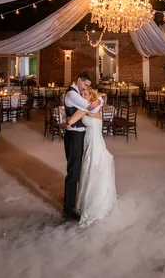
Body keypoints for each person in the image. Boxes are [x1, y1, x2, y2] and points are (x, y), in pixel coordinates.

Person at [65, 84, 118, 227]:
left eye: (85, 95)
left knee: (92, 172)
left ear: (91, 96)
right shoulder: (92, 106)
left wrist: (69, 122)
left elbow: (74, 118)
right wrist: (98, 100)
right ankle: (87, 202)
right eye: (81, 95)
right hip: (89, 142)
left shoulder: (88, 109)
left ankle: (93, 204)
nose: (83, 98)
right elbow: (102, 97)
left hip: (95, 145)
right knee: (88, 172)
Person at [62, 71, 101, 222]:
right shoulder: (72, 94)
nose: (86, 88)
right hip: (74, 137)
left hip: (81, 135)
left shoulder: (78, 93)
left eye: (88, 86)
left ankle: (75, 200)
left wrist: (98, 101)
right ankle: (68, 209)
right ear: (78, 80)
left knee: (80, 171)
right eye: (84, 84)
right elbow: (90, 108)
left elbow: (92, 105)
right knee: (73, 171)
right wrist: (98, 102)